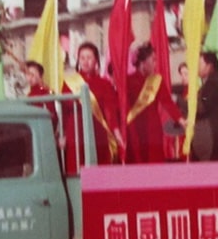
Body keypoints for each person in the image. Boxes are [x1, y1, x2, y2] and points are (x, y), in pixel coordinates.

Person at [61, 42, 124, 173]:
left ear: (96, 60)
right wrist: (63, 134)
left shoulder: (105, 84)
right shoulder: (69, 83)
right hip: (75, 131)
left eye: (89, 57)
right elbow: (64, 112)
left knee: (100, 168)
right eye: (82, 57)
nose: (85, 61)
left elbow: (110, 111)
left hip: (98, 130)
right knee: (77, 168)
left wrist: (117, 133)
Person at [125, 43, 185, 163]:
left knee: (153, 160)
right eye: (153, 60)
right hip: (134, 128)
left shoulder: (157, 80)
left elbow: (168, 103)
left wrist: (181, 120)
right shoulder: (128, 81)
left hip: (153, 129)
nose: (155, 64)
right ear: (143, 62)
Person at [191, 52, 218, 161]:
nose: (197, 67)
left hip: (215, 139)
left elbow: (202, 106)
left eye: (200, 64)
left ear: (209, 66)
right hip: (213, 139)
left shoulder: (214, 84)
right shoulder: (210, 84)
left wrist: (182, 102)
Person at [25, 60, 58, 127]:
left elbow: (52, 115)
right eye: (28, 74)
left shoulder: (46, 92)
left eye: (33, 74)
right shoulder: (29, 94)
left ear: (40, 75)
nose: (30, 78)